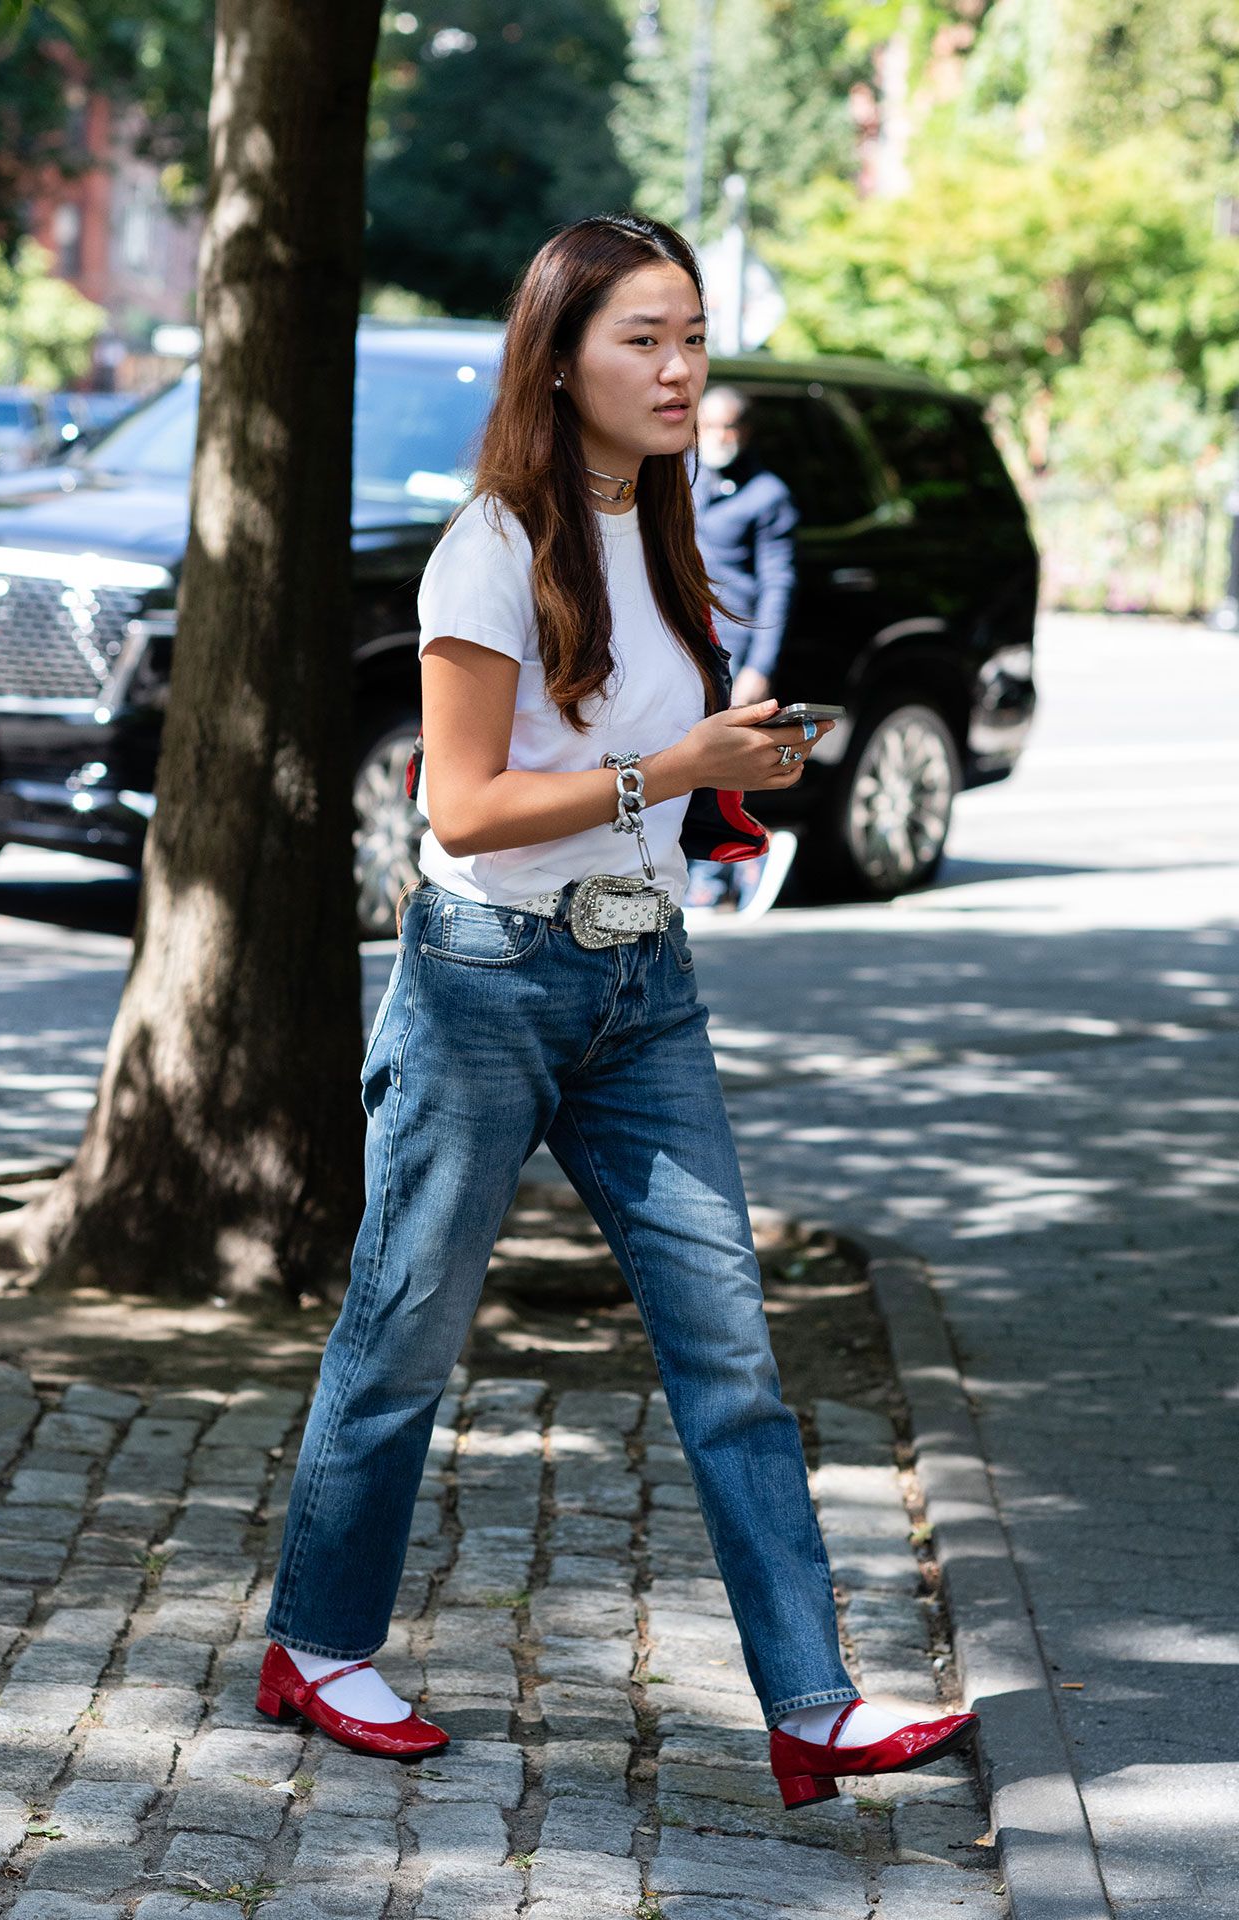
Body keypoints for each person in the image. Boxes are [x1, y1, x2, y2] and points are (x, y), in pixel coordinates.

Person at [256, 213, 978, 1805]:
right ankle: (316, 1643)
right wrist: (672, 769)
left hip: (646, 987)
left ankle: (812, 1704)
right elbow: (461, 806)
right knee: (403, 1333)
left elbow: (634, 762)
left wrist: (732, 762)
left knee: (731, 1351)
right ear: (559, 357)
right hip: (487, 984)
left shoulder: (665, 527)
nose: (677, 369)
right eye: (641, 339)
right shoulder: (489, 549)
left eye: (692, 338)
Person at [685, 384, 799, 913]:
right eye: (708, 426)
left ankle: (724, 869)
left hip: (732, 647)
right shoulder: (679, 476)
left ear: (745, 432)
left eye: (728, 427)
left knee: (720, 764)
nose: (718, 437)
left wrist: (760, 665)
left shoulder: (767, 494)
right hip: (683, 641)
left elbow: (778, 584)